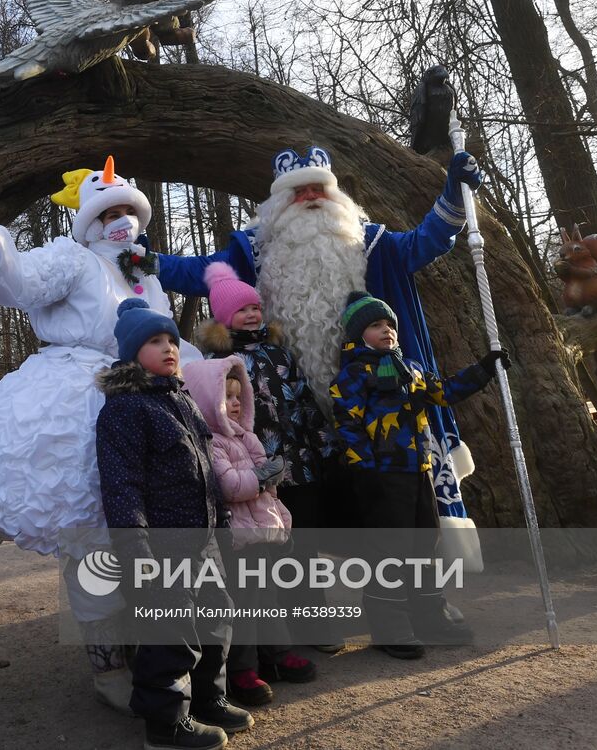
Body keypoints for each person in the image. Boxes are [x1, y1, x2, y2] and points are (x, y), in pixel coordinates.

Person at [158, 145, 487, 601]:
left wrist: (454, 194)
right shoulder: (253, 250)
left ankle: (415, 604)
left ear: (336, 197)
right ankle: (312, 611)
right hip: (296, 420)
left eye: (319, 188)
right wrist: (146, 262)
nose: (311, 197)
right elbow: (198, 273)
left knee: (397, 506)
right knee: (302, 517)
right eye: (298, 191)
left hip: (380, 411)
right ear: (277, 205)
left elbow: (426, 241)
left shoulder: (367, 241)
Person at [0, 157, 186, 710]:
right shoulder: (73, 259)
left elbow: (167, 340)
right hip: (81, 397)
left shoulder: (144, 273)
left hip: (148, 397)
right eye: (109, 211)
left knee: (150, 527)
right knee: (92, 534)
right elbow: (19, 282)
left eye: (128, 210)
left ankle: (155, 650)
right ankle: (107, 666)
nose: (120, 220)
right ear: (90, 221)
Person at [96, 298, 251, 750]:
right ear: (130, 353)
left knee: (215, 618)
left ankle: (209, 698)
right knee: (172, 633)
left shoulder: (181, 400)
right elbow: (122, 485)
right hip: (161, 546)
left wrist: (221, 524)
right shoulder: (124, 411)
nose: (168, 348)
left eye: (171, 340)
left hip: (201, 539)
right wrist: (136, 550)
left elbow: (205, 471)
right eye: (154, 341)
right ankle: (166, 724)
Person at [329, 291, 509, 658]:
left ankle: (429, 613)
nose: (387, 331)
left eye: (390, 325)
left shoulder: (409, 368)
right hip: (381, 477)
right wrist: (365, 472)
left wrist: (484, 368)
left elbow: (443, 392)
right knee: (389, 551)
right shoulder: (352, 376)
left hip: (419, 470)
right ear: (358, 334)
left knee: (426, 545)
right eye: (376, 326)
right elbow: (347, 426)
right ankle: (389, 624)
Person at [193, 262, 342, 655]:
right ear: (226, 318)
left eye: (256, 307)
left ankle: (314, 620)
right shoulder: (219, 362)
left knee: (303, 547)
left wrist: (325, 447)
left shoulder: (280, 353)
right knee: (267, 553)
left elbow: (305, 401)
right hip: (253, 472)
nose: (253, 314)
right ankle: (277, 635)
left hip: (298, 463)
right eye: (243, 310)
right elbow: (218, 415)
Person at [182, 355, 316, 708]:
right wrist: (262, 476)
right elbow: (230, 486)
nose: (237, 403)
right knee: (244, 605)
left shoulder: (246, 437)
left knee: (269, 598)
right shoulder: (211, 441)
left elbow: (270, 484)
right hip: (237, 540)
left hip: (264, 533)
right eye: (227, 397)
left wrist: (277, 506)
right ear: (206, 402)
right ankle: (243, 669)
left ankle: (277, 653)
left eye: (239, 396)